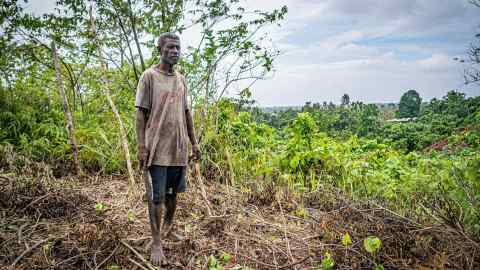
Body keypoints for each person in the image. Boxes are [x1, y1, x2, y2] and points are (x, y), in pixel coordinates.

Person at [135, 32, 200, 266]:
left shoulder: (181, 80)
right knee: (157, 198)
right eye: (170, 47)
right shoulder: (149, 77)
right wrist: (141, 146)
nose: (175, 51)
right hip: (157, 149)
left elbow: (186, 113)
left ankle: (169, 228)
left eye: (178, 48)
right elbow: (140, 114)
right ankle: (156, 241)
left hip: (179, 149)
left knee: (173, 195)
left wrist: (194, 143)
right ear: (160, 50)